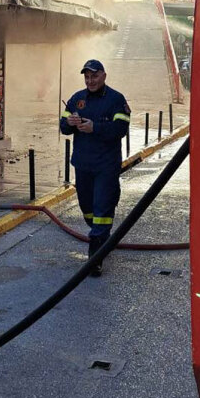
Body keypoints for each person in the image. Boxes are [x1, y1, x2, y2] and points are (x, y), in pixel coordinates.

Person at [60, 59, 130, 276]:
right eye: (87, 77)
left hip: (105, 167)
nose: (90, 80)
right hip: (83, 165)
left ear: (104, 76)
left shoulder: (116, 100)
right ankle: (101, 236)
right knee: (87, 208)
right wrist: (69, 122)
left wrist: (95, 128)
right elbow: (63, 127)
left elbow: (121, 129)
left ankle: (95, 255)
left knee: (102, 209)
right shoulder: (77, 99)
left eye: (94, 76)